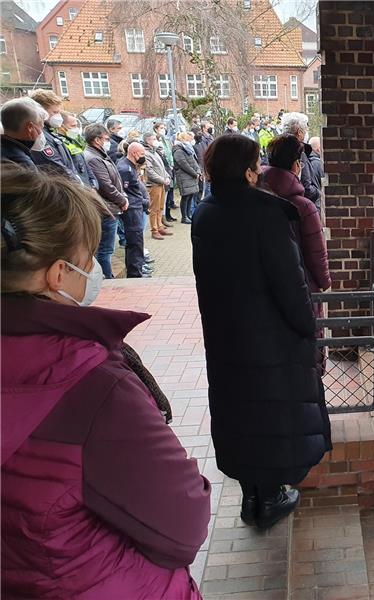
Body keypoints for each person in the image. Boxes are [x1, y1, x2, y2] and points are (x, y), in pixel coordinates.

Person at [0, 164, 210, 598]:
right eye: (87, 259)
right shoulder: (90, 385)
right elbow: (183, 524)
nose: (94, 268)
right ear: (58, 274)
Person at [192, 134, 331, 530]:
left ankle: (251, 496)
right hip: (271, 338)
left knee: (241, 415)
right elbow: (291, 286)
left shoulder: (204, 213)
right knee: (272, 416)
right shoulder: (267, 215)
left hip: (225, 336)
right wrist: (307, 329)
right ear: (248, 172)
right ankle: (269, 497)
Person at [259, 134, 331, 373]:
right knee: (308, 340)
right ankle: (312, 378)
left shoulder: (256, 197)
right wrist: (324, 281)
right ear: (296, 165)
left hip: (265, 285)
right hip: (302, 285)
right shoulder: (303, 206)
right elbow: (316, 252)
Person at [84, 124, 128, 279]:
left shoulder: (99, 155)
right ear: (97, 140)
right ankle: (107, 279)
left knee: (105, 250)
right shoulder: (93, 158)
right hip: (105, 209)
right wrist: (122, 200)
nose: (108, 142)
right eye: (106, 139)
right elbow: (105, 185)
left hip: (108, 207)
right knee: (105, 250)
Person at [27, 89, 81, 182]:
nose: (59, 116)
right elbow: (56, 167)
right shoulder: (39, 135)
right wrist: (77, 183)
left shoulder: (50, 132)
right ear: (41, 112)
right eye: (55, 112)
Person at [116, 142, 149, 278]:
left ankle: (138, 269)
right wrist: (142, 201)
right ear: (134, 153)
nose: (143, 156)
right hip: (132, 210)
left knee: (137, 242)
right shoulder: (124, 168)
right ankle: (135, 273)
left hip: (136, 207)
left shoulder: (131, 166)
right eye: (142, 154)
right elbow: (125, 192)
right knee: (134, 242)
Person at [282, 112, 321, 206]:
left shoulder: (277, 148)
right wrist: (318, 193)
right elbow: (306, 186)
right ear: (299, 132)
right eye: (306, 129)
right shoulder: (298, 152)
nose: (307, 132)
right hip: (303, 206)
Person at [0, 97, 48, 169]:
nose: (42, 132)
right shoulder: (22, 164)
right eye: (41, 127)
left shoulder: (4, 150)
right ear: (30, 128)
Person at [142, 132, 172, 241]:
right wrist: (162, 180)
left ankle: (160, 226)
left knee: (160, 207)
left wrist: (167, 177)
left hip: (161, 184)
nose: (156, 141)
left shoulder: (155, 152)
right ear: (147, 140)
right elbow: (149, 171)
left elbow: (162, 167)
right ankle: (154, 230)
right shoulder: (146, 153)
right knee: (154, 208)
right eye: (153, 139)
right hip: (154, 185)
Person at [173, 132, 202, 224]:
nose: (190, 141)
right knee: (185, 197)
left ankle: (188, 215)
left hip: (192, 176)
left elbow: (194, 162)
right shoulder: (178, 151)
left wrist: (198, 171)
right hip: (184, 177)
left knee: (190, 196)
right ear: (182, 139)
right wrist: (195, 174)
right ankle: (184, 217)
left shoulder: (188, 149)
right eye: (187, 139)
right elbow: (184, 164)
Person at [154, 121, 177, 223]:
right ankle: (162, 218)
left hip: (169, 168)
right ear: (156, 129)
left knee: (169, 192)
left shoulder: (165, 140)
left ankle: (167, 214)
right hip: (162, 170)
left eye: (164, 128)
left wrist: (171, 164)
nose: (164, 130)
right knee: (164, 195)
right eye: (161, 128)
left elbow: (169, 153)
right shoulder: (156, 142)